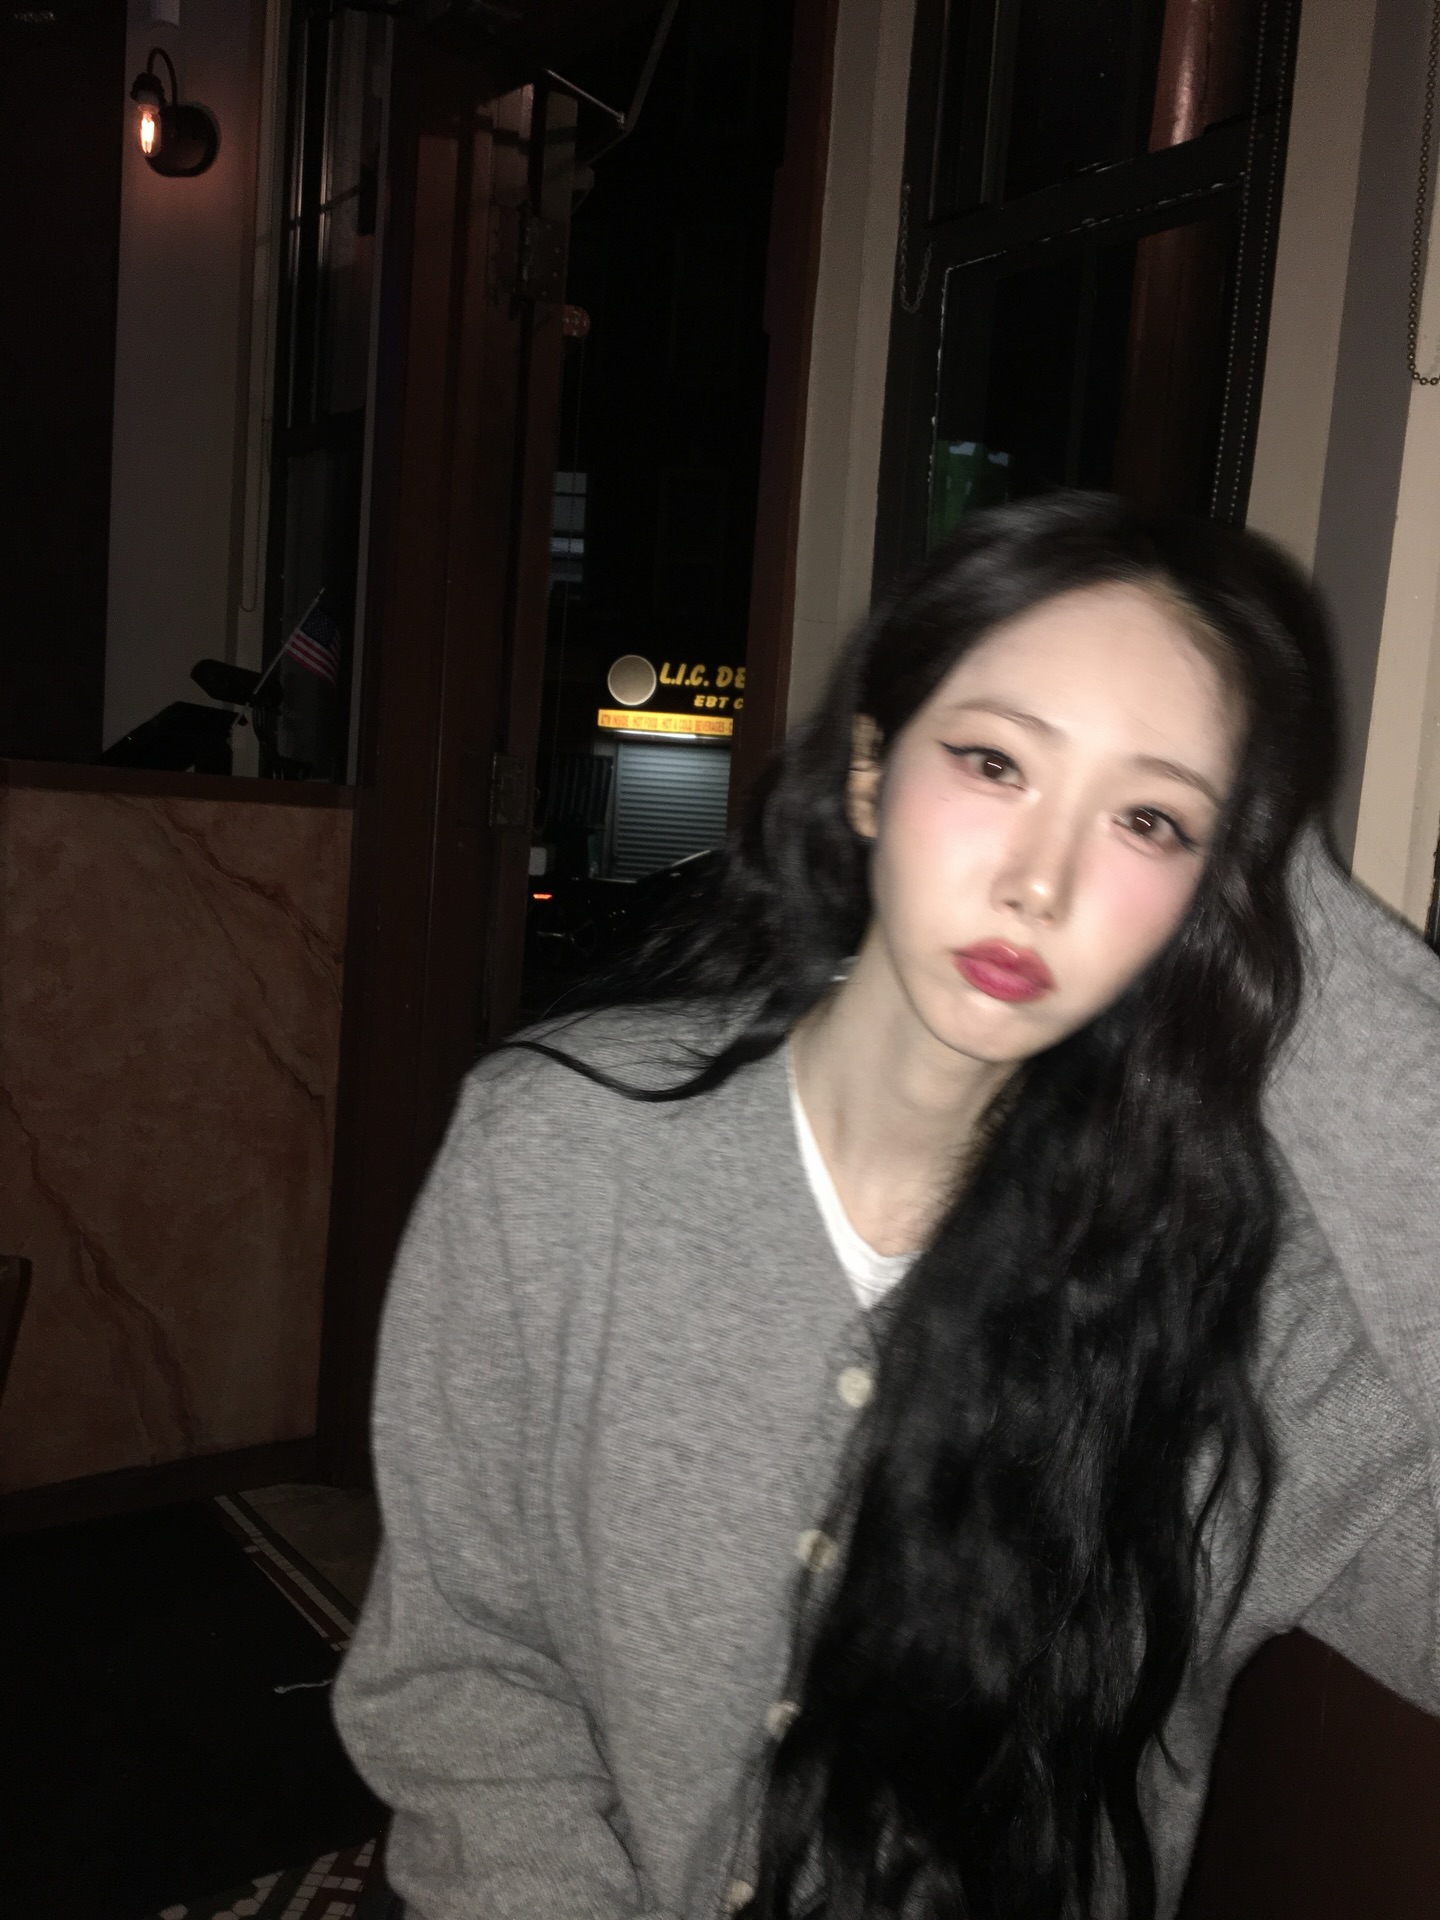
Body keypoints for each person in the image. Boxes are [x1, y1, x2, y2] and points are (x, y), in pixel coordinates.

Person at [333, 494, 1440, 1920]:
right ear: (870, 771)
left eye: (1149, 820)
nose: (1041, 882)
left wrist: (1295, 925)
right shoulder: (559, 1152)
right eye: (994, 762)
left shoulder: (1248, 1295)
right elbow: (462, 1675)